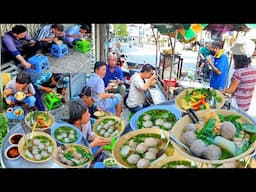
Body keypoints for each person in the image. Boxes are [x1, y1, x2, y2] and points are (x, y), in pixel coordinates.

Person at [223, 37, 256, 112]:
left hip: (236, 105)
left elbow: (230, 90)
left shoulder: (239, 72)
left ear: (237, 58)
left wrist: (219, 91)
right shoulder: (253, 70)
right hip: (246, 103)